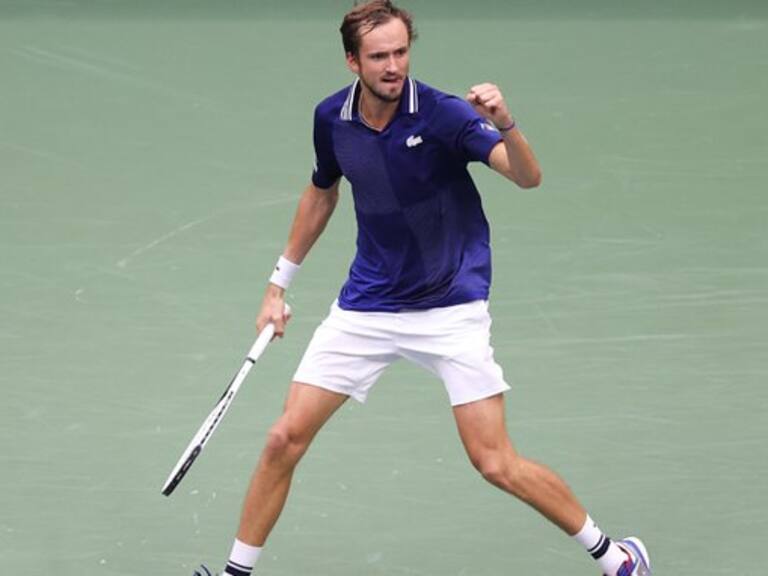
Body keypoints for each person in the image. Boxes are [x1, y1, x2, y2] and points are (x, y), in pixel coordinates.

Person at [197, 2, 651, 575]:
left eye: (400, 52)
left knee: (494, 462)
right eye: (379, 56)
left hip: (450, 308)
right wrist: (276, 284)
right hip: (367, 305)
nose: (393, 66)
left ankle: (616, 557)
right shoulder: (331, 119)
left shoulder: (444, 115)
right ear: (351, 61)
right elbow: (322, 191)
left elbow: (526, 176)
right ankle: (237, 571)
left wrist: (507, 121)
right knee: (283, 438)